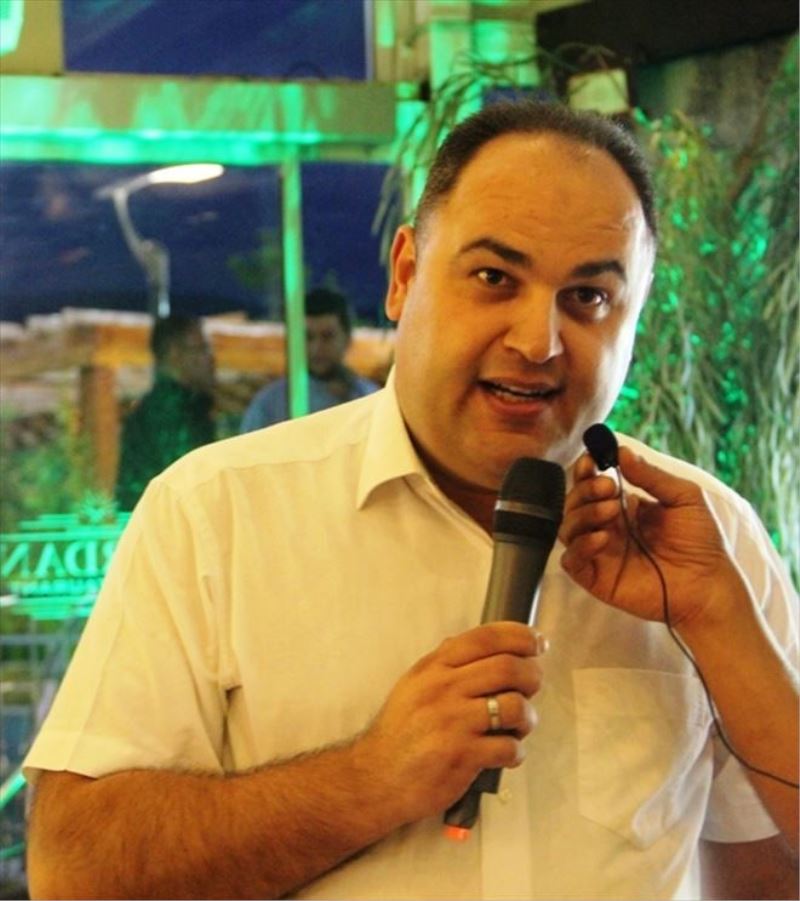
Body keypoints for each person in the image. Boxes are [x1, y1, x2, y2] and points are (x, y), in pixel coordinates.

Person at [24, 101, 797, 900]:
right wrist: (370, 778)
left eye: (589, 297)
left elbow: (769, 875)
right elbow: (74, 871)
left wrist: (721, 623)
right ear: (404, 274)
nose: (537, 341)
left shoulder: (703, 537)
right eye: (494, 278)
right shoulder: (215, 513)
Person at [240, 287, 378, 431]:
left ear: (347, 338)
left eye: (327, 337)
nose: (316, 348)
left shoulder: (369, 399)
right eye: (308, 337)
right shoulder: (270, 406)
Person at [114, 314, 216, 510]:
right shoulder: (174, 411)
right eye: (202, 348)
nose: (211, 358)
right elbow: (190, 483)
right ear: (174, 354)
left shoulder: (174, 405)